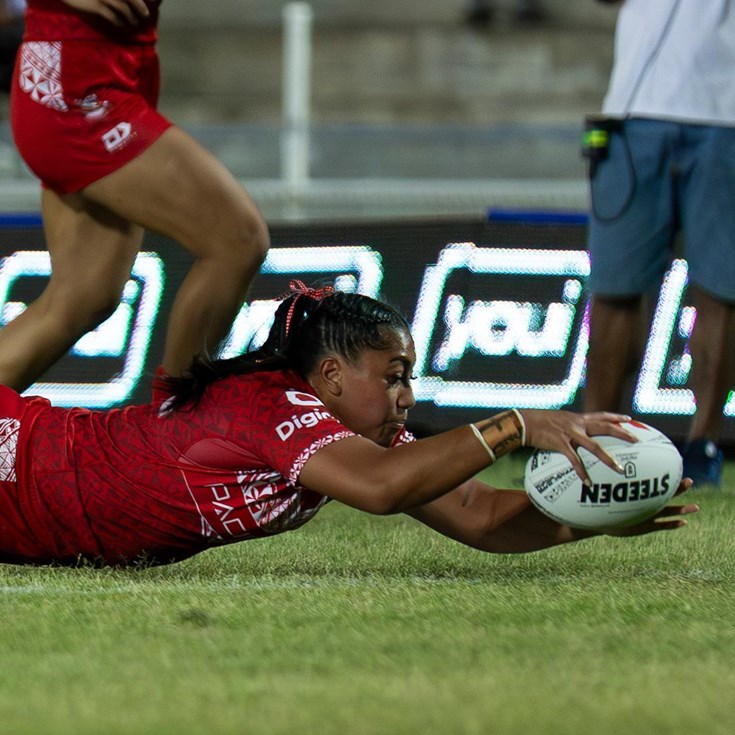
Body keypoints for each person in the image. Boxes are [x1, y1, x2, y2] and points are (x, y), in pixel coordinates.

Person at [0, 281, 697, 567]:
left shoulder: (359, 437)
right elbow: (383, 489)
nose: (405, 395)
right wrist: (514, 424)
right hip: (18, 468)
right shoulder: (268, 406)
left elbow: (479, 513)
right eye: (391, 375)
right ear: (331, 376)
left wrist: (586, 515)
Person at [0, 0, 269, 399]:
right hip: (74, 88)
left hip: (109, 73)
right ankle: (177, 434)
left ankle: (173, 435)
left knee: (82, 297)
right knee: (238, 242)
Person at [584, 0, 735, 487]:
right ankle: (598, 441)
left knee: (723, 290)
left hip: (727, 112)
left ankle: (703, 444)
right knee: (616, 288)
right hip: (635, 108)